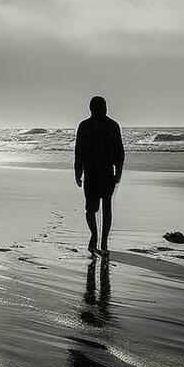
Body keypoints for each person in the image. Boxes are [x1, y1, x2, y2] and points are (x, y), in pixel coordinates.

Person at [74, 95, 125, 254]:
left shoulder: (84, 126)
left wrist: (78, 171)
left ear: (90, 109)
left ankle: (95, 238)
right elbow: (120, 154)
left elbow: (79, 153)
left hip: (91, 173)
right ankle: (102, 242)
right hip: (106, 173)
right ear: (104, 108)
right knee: (106, 207)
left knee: (91, 209)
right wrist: (119, 172)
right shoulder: (113, 126)